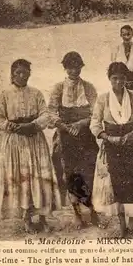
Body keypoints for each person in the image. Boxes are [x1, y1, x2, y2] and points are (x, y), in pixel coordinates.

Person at [0, 59, 62, 234]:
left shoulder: (36, 93)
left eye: (25, 72)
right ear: (12, 74)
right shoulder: (4, 95)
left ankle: (43, 217)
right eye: (18, 73)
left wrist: (32, 125)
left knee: (40, 176)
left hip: (34, 139)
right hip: (16, 142)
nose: (22, 76)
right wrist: (11, 126)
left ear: (30, 73)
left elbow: (45, 115)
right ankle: (26, 218)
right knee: (22, 177)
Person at [90, 62, 133, 238]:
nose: (118, 82)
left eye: (122, 78)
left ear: (126, 79)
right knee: (117, 186)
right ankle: (122, 226)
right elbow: (95, 123)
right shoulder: (103, 99)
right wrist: (108, 137)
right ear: (109, 79)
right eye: (115, 78)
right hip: (113, 147)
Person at [47, 51, 105, 230]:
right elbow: (50, 112)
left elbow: (96, 112)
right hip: (65, 136)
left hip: (85, 135)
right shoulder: (58, 88)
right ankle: (76, 213)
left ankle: (92, 210)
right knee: (70, 173)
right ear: (65, 68)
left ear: (81, 67)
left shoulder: (89, 87)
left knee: (89, 170)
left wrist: (81, 124)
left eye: (77, 66)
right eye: (70, 67)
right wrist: (63, 126)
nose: (74, 70)